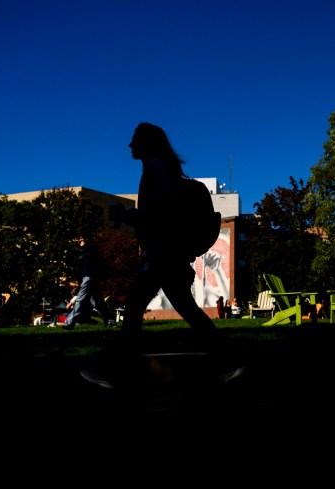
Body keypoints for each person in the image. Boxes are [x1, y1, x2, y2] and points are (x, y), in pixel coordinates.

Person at [80, 122, 240, 387]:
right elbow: (164, 209)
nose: (129, 145)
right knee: (182, 307)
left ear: (146, 142)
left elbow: (162, 211)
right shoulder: (161, 169)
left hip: (163, 254)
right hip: (168, 253)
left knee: (135, 306)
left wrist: (125, 215)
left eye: (134, 140)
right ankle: (227, 359)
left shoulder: (155, 169)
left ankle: (116, 369)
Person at [62, 232, 115, 330]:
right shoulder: (86, 250)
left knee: (80, 299)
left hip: (89, 277)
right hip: (88, 278)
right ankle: (110, 321)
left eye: (80, 238)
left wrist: (93, 275)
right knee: (97, 302)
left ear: (85, 238)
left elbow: (97, 261)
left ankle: (69, 323)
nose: (79, 241)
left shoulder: (91, 247)